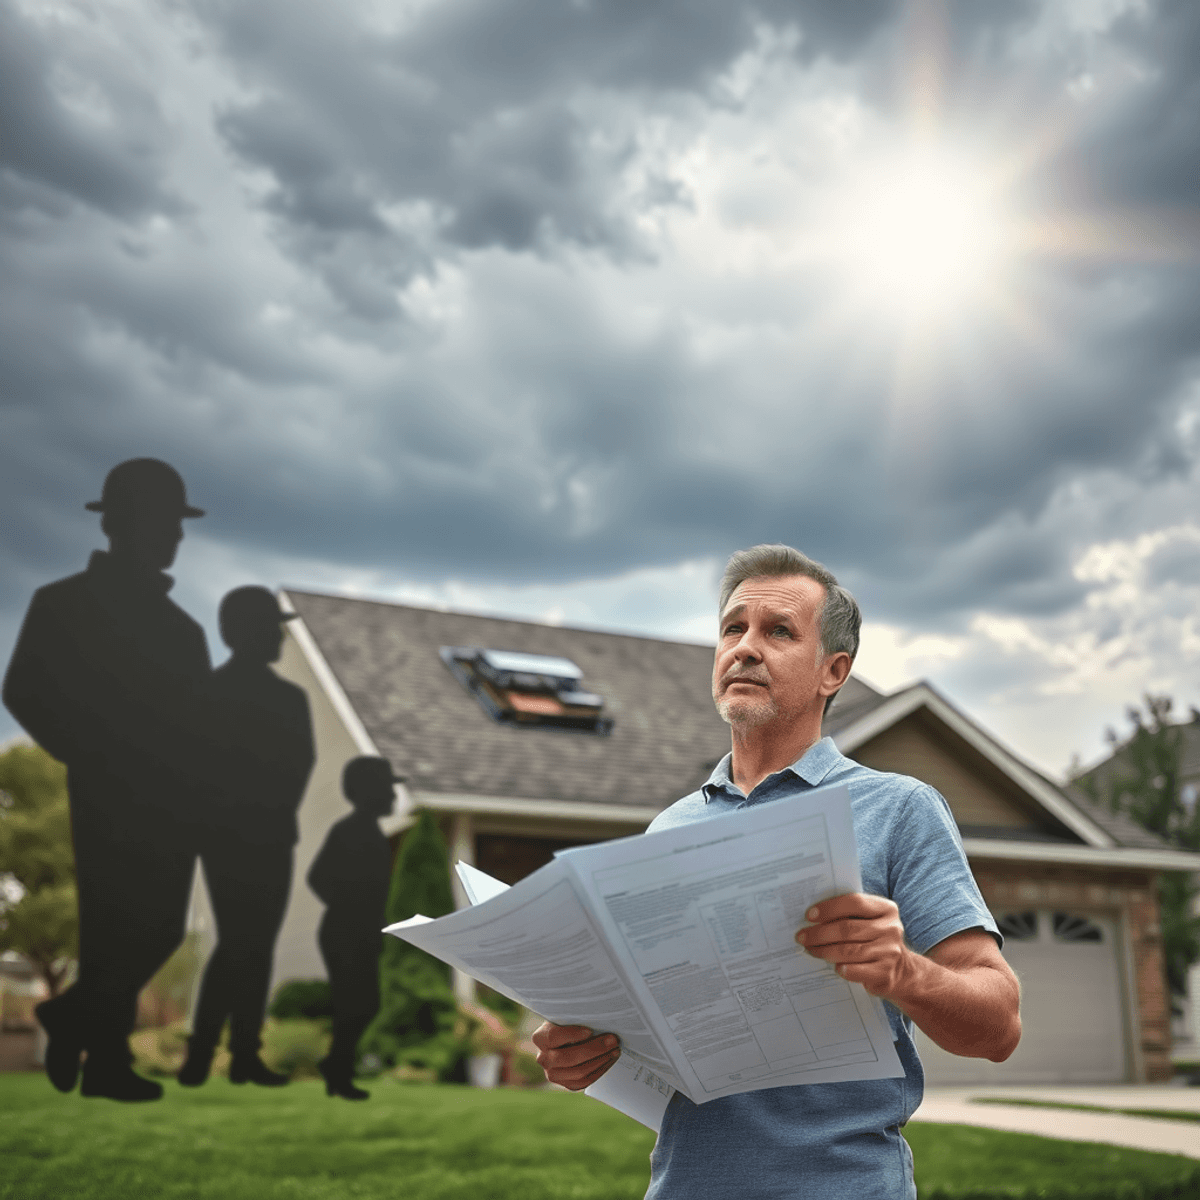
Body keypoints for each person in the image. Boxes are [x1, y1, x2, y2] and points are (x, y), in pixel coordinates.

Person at [533, 544, 1021, 1199]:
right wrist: (579, 1051)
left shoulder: (899, 810)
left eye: (779, 631)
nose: (745, 647)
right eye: (733, 628)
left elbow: (1000, 1027)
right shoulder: (669, 828)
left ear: (832, 671)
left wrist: (905, 972)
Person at [3, 458, 213, 1102]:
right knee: (114, 924)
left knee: (159, 927)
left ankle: (70, 1017)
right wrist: (90, 752)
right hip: (109, 794)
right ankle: (106, 1061)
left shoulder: (183, 630)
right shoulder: (65, 603)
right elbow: (23, 689)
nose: (173, 535)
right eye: (162, 521)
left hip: (173, 802)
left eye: (178, 524)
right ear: (122, 522)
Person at [178, 586, 315, 1088]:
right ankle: (215, 1055)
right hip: (233, 838)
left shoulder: (288, 697)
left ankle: (233, 1056)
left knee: (253, 945)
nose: (280, 637)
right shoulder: (209, 695)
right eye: (273, 628)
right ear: (246, 631)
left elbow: (300, 766)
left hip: (270, 835)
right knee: (242, 941)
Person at [307, 756, 397, 1100]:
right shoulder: (350, 831)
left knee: (365, 1005)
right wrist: (350, 907)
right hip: (344, 934)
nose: (392, 794)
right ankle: (338, 1073)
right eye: (387, 787)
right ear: (368, 792)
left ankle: (337, 1067)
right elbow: (317, 877)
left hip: (363, 933)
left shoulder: (372, 833)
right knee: (354, 1004)